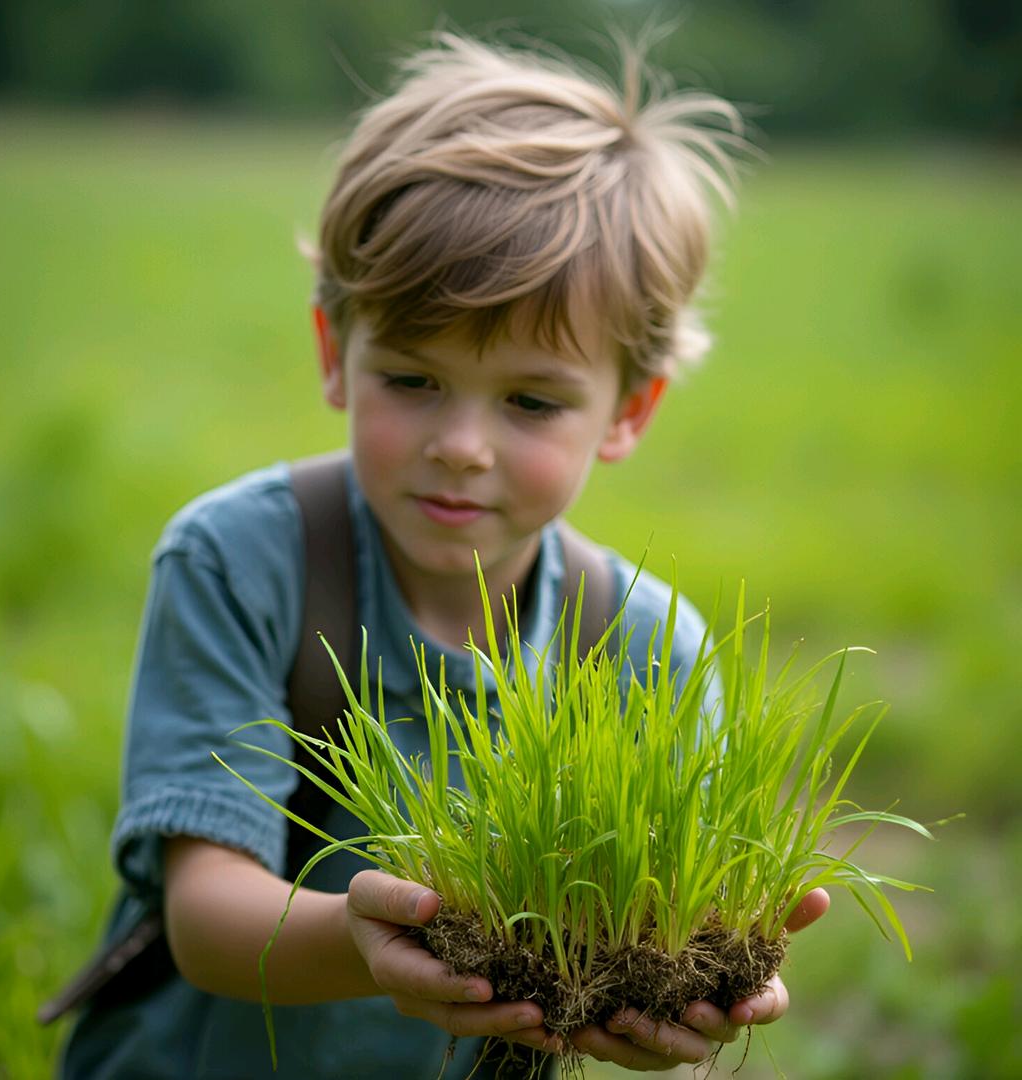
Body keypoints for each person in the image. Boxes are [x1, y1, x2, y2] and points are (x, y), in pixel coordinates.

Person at [58, 31, 828, 1079]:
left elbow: (662, 924)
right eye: (413, 379)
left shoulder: (647, 648)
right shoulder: (240, 566)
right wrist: (367, 948)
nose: (460, 445)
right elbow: (205, 915)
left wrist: (700, 981)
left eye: (529, 400)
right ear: (338, 353)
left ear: (628, 409)